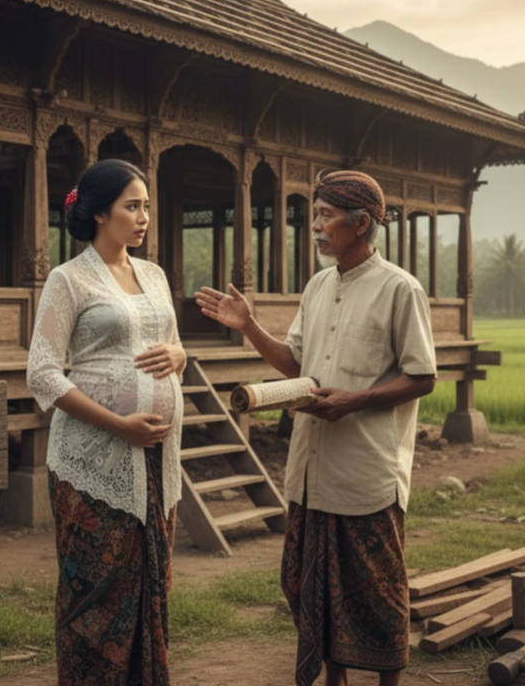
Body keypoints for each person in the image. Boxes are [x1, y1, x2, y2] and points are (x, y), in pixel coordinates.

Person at [196, 169, 437, 686]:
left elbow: (423, 376)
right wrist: (248, 326)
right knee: (307, 587)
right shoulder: (318, 285)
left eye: (326, 216)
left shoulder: (400, 289)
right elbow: (296, 363)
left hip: (367, 471)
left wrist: (357, 400)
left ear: (362, 222)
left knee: (376, 592)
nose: (317, 227)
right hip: (310, 470)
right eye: (316, 216)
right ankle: (335, 679)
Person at [27, 159, 186, 686]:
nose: (143, 217)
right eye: (132, 206)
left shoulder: (155, 274)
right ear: (99, 213)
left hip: (157, 458)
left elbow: (175, 346)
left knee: (150, 585)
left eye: (146, 206)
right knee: (95, 592)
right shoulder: (67, 280)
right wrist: (119, 426)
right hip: (92, 461)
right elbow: (43, 375)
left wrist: (177, 357)